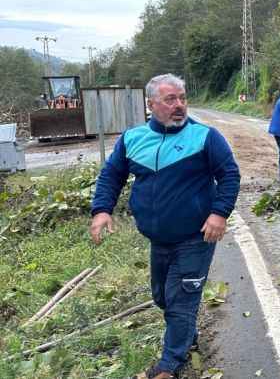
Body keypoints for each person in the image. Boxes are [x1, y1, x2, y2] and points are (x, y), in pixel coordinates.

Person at [89, 74, 240, 379]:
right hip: (158, 240)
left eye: (183, 98)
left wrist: (219, 214)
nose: (180, 105)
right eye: (171, 99)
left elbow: (229, 175)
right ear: (151, 104)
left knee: (181, 302)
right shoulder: (132, 139)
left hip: (196, 237)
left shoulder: (205, 137)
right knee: (162, 297)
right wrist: (102, 210)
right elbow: (111, 175)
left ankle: (168, 366)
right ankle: (186, 338)